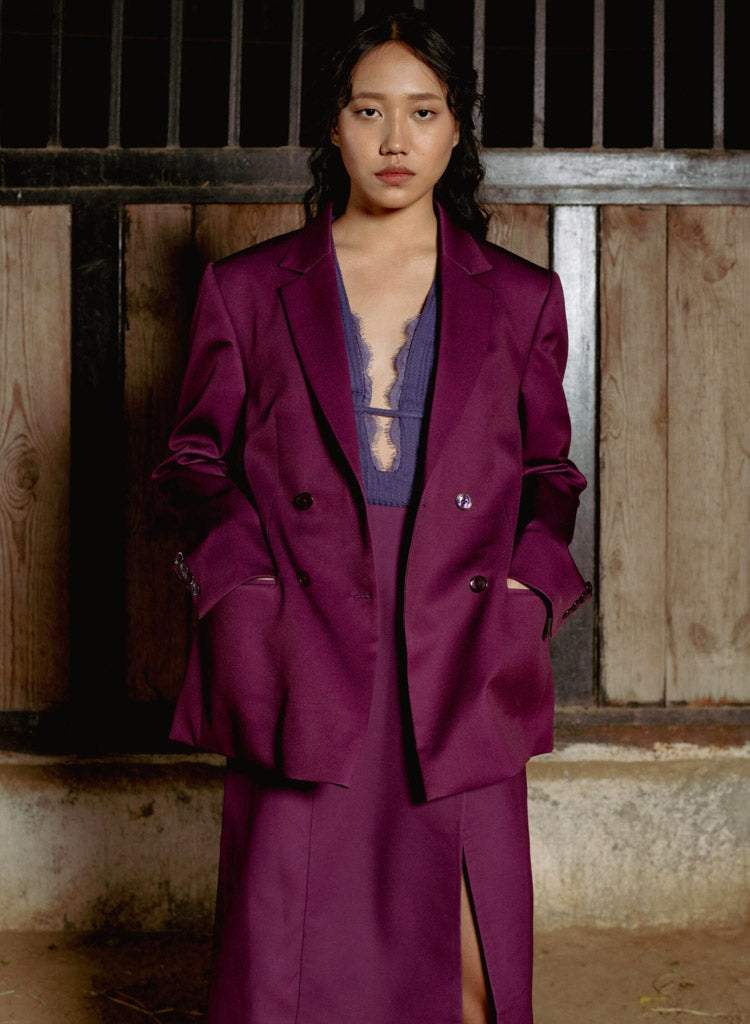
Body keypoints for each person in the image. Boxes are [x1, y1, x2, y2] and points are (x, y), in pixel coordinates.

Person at [153, 8, 591, 1023]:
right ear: (334, 126)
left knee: (467, 940)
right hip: (301, 626)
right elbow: (193, 459)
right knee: (289, 939)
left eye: (423, 112)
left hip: (464, 627)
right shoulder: (247, 288)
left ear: (455, 128)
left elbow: (548, 469)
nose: (396, 139)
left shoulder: (521, 296)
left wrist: (526, 590)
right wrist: (244, 587)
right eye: (369, 110)